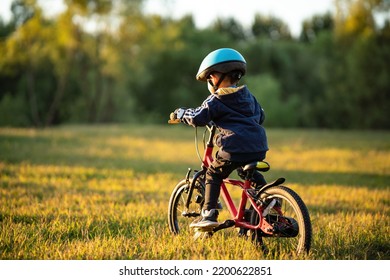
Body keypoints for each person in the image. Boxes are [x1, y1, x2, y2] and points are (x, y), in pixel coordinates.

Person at [171, 48, 268, 231]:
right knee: (249, 174)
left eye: (210, 77)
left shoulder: (216, 100)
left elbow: (199, 117)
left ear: (218, 75)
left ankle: (208, 214)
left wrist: (182, 113)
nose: (210, 81)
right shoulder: (249, 97)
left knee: (213, 173)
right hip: (258, 146)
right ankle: (270, 200)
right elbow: (261, 116)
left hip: (234, 147)